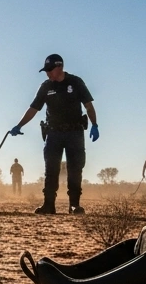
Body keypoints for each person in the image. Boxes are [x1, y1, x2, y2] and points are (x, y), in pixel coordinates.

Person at [9, 53, 99, 215]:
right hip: (53, 133)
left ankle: (74, 205)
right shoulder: (46, 87)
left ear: (60, 67)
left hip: (74, 132)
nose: (48, 73)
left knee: (75, 168)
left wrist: (94, 125)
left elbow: (88, 106)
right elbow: (33, 109)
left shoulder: (76, 82)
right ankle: (48, 205)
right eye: (46, 70)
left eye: (50, 69)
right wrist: (19, 125)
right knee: (51, 169)